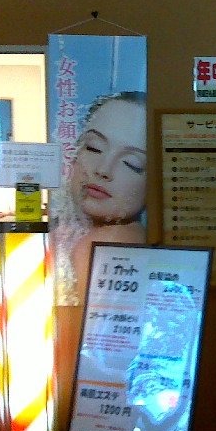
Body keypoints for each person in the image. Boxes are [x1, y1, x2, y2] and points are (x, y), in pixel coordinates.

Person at [53, 91, 147, 303]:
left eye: (132, 164)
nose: (103, 170)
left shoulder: (107, 243)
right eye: (94, 148)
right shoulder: (76, 229)